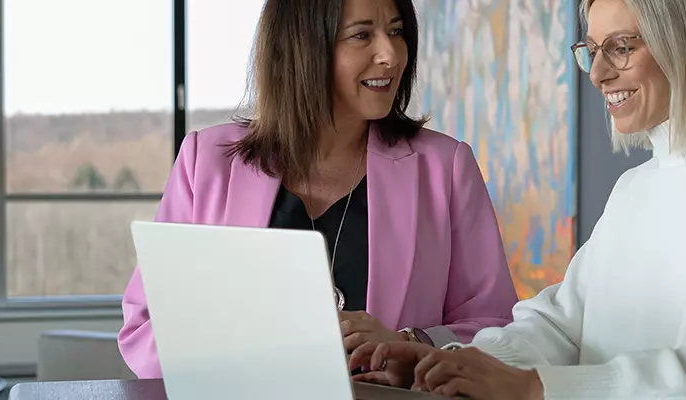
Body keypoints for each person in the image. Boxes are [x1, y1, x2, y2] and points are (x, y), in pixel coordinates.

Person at [347, 0, 686, 398]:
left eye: (622, 47)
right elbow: (560, 326)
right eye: (591, 50)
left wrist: (539, 390)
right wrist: (448, 360)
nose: (598, 73)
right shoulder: (635, 189)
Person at [117, 0, 519, 379]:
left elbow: (497, 328)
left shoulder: (445, 168)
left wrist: (410, 344)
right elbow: (146, 332)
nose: (391, 55)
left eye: (397, 32)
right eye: (362, 35)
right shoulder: (205, 162)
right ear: (303, 47)